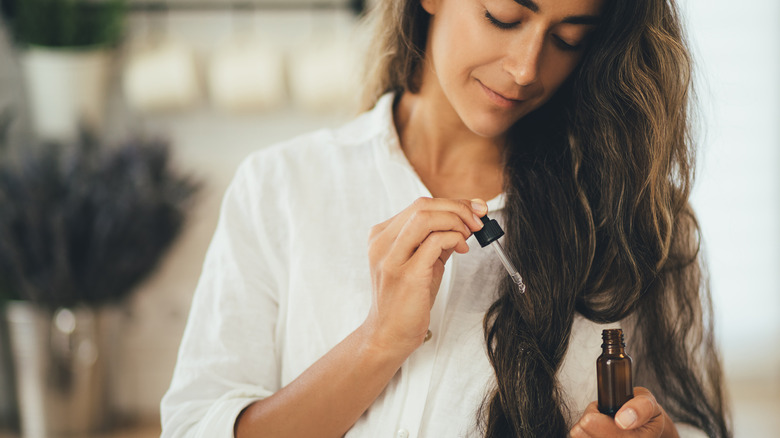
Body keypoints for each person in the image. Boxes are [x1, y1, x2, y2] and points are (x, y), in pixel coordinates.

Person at [161, 0, 731, 437]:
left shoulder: (640, 227)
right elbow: (196, 425)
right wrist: (377, 343)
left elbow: (692, 419)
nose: (526, 68)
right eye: (502, 16)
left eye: (567, 40)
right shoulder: (281, 188)